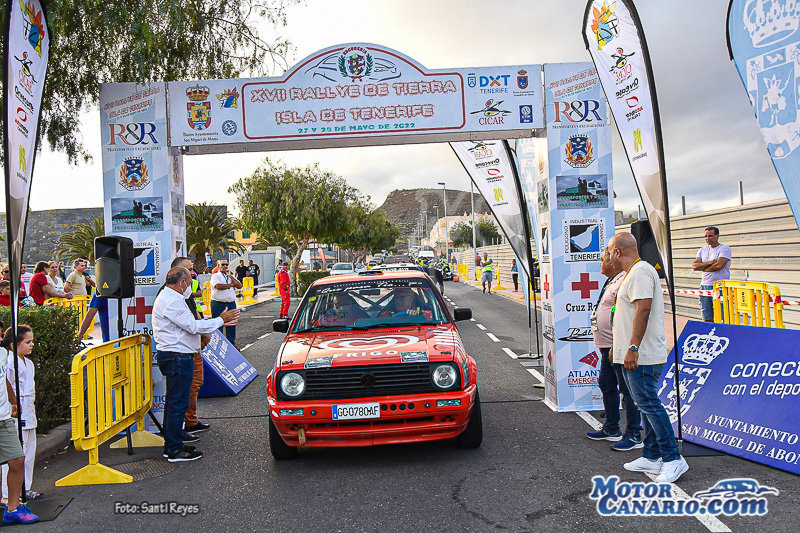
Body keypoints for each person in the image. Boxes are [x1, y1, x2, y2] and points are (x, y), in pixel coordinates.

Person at [609, 233, 688, 483]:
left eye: (610, 251)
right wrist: (619, 346)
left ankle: (673, 457)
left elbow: (643, 310)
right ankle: (652, 455)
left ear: (618, 252)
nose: (609, 256)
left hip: (642, 355)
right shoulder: (634, 272)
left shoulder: (641, 271)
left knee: (650, 404)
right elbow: (627, 313)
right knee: (645, 405)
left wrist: (632, 347)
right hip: (634, 354)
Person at [153, 267, 239, 462]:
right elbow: (192, 326)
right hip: (177, 356)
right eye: (189, 282)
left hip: (179, 355)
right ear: (182, 282)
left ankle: (175, 440)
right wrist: (219, 320)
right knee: (177, 402)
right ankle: (173, 449)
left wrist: (216, 322)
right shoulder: (171, 300)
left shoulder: (174, 298)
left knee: (176, 402)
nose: (191, 287)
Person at [586, 248, 642, 450]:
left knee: (627, 391)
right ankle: (611, 427)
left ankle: (634, 434)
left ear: (612, 261)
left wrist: (622, 344)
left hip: (617, 345)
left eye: (602, 260)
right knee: (606, 384)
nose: (600, 264)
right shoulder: (612, 280)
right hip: (608, 345)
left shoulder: (624, 280)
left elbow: (628, 314)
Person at [0, 323, 38, 523]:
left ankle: (26, 488)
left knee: (27, 453)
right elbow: (6, 383)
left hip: (27, 408)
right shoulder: (9, 361)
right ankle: (7, 494)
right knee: (13, 455)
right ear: (14, 345)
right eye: (28, 342)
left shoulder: (28, 363)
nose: (32, 345)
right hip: (14, 411)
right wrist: (14, 402)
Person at [692, 226, 732, 322]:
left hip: (720, 286)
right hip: (704, 286)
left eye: (710, 236)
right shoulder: (702, 250)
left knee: (723, 316)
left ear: (717, 236)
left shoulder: (724, 249)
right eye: (705, 236)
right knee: (706, 315)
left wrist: (703, 267)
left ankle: (724, 333)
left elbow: (719, 266)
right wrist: (710, 262)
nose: (707, 239)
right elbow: (695, 266)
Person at [210, 260, 242, 344]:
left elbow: (239, 286)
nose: (225, 266)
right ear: (218, 265)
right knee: (218, 324)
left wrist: (231, 277)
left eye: (226, 264)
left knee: (231, 324)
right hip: (218, 304)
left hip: (230, 303)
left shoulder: (230, 276)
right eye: (223, 264)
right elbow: (218, 286)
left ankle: (231, 343)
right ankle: (218, 343)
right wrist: (231, 285)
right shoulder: (216, 276)